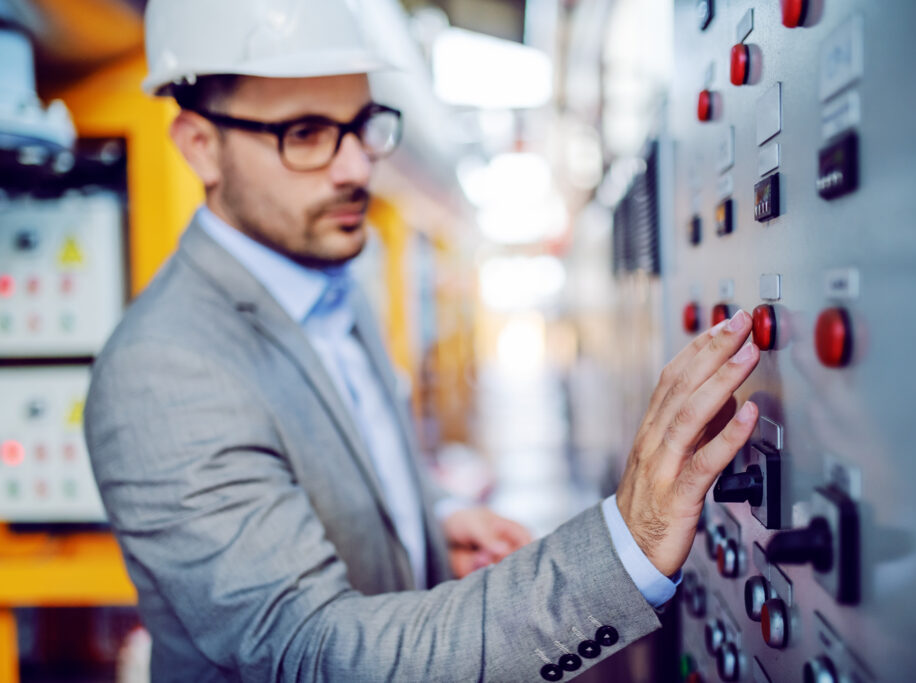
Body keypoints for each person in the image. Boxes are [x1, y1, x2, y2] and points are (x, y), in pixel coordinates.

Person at [84, 1, 762, 680]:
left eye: (360, 125)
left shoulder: (333, 285)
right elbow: (317, 653)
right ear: (200, 144)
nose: (354, 166)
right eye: (306, 132)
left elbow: (341, 466)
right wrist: (625, 546)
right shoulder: (165, 370)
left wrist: (426, 524)